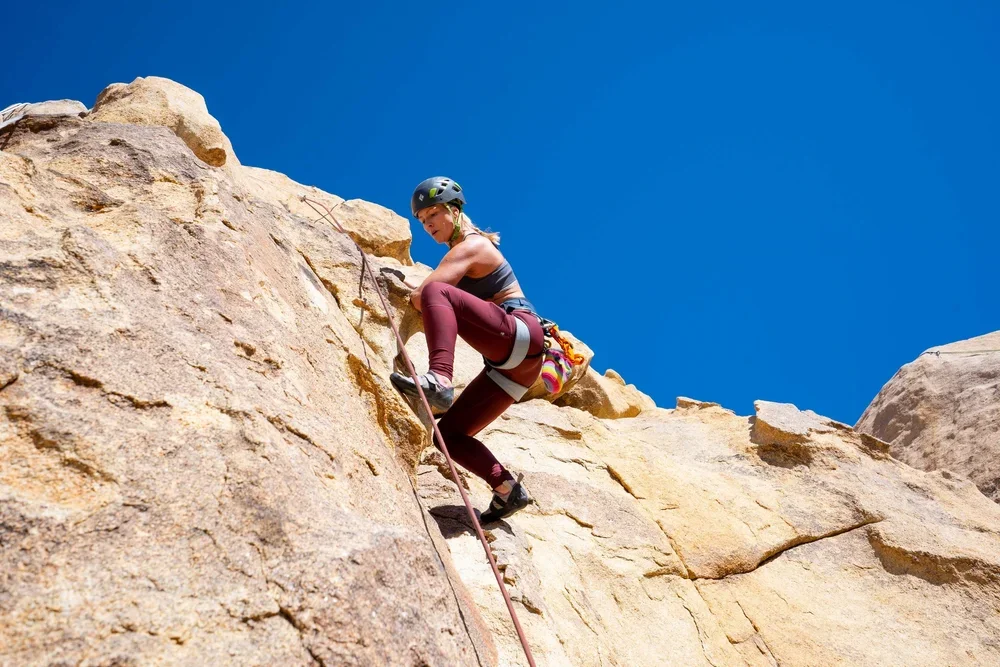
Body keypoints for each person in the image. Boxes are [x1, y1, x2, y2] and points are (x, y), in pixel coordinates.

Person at [390, 176, 543, 524]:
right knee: (449, 436)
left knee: (435, 294)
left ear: (455, 210)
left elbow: (425, 294)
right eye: (423, 220)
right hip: (514, 366)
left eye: (433, 214)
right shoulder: (461, 253)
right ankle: (507, 490)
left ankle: (440, 379)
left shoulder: (471, 246)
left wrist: (419, 292)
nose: (428, 224)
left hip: (519, 333)